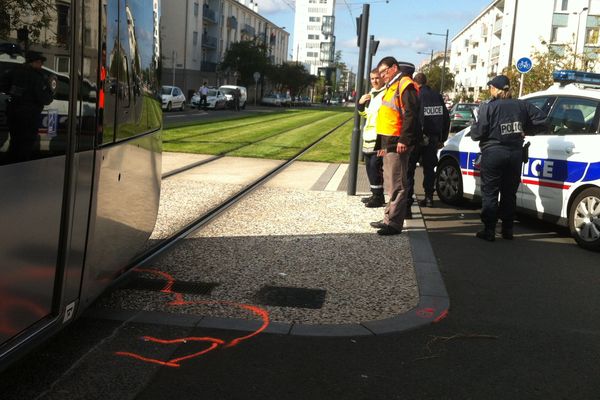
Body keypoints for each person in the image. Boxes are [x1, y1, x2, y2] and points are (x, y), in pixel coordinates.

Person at [470, 74, 547, 241]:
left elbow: (478, 133)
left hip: (494, 152)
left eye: (491, 87)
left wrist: (474, 126)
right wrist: (526, 130)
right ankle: (507, 230)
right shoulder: (522, 105)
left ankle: (489, 230)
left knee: (490, 192)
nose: (490, 90)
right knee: (509, 192)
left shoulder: (488, 107)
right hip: (515, 154)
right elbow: (542, 120)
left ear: (496, 89)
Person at [370, 57, 421, 236]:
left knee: (398, 184)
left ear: (394, 68)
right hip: (388, 142)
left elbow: (411, 115)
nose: (382, 76)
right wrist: (382, 144)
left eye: (384, 72)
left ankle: (394, 224)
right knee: (391, 183)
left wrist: (404, 140)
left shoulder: (404, 85)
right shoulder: (392, 86)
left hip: (397, 142)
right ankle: (388, 218)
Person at [406, 72, 450, 213]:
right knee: (429, 169)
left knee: (409, 169)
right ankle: (429, 197)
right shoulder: (437, 96)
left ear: (415, 82)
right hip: (433, 138)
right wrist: (442, 138)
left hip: (417, 138)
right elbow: (446, 118)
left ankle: (407, 202)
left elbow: (413, 117)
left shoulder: (417, 94)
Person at [0, 50, 53, 163]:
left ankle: (10, 166)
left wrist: (15, 93)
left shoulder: (14, 72)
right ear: (33, 62)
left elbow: (3, 86)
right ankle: (20, 170)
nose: (41, 65)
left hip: (14, 114)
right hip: (29, 117)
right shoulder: (37, 77)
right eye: (39, 62)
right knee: (26, 145)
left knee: (15, 142)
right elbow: (45, 99)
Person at [357, 68, 386, 208]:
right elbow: (366, 115)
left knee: (375, 167)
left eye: (377, 78)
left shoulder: (385, 93)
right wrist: (360, 104)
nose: (374, 81)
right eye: (372, 78)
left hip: (378, 138)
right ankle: (374, 193)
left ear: (382, 78)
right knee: (369, 167)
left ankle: (379, 197)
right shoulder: (371, 93)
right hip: (368, 137)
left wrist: (383, 143)